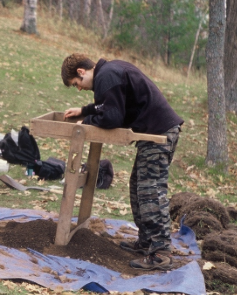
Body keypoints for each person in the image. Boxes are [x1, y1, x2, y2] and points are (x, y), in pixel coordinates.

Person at [60, 53, 183, 271]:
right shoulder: (109, 72)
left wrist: (86, 120)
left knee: (150, 191)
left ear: (81, 71)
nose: (79, 88)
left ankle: (161, 253)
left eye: (76, 84)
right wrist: (85, 110)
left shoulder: (106, 76)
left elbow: (112, 117)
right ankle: (147, 242)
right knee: (138, 187)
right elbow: (110, 105)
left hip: (158, 134)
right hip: (152, 132)